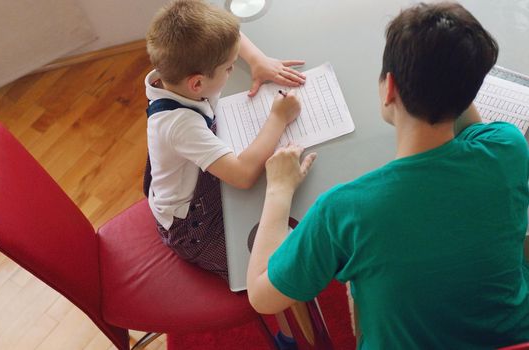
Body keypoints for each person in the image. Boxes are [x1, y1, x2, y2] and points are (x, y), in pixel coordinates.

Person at [247, 2, 529, 349]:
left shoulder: (346, 210)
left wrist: (278, 188)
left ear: (389, 86)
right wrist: (452, 66)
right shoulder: (508, 147)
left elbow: (262, 296)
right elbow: (469, 123)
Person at [144, 0, 305, 281]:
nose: (233, 70)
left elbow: (232, 38)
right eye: (229, 68)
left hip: (205, 182)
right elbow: (242, 176)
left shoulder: (178, 77)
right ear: (197, 84)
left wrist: (258, 61)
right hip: (195, 229)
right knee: (275, 268)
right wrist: (278, 118)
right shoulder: (179, 124)